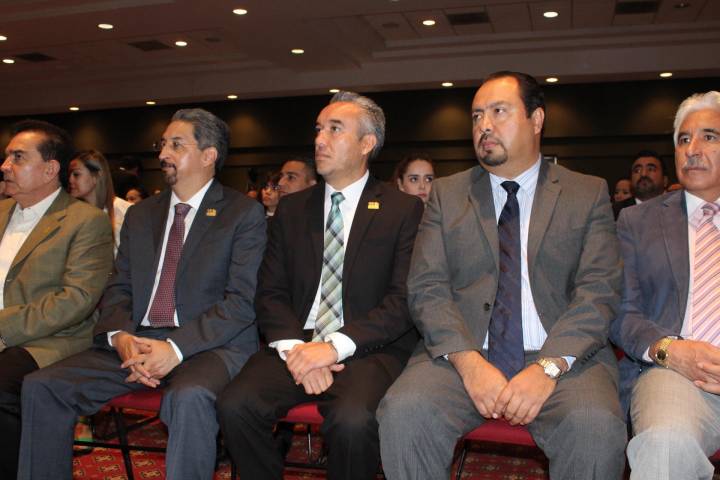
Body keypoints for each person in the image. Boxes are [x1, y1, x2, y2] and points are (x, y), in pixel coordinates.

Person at [378, 71, 627, 480]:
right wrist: (470, 364)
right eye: (477, 116)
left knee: (594, 428)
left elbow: (598, 291)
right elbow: (427, 288)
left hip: (563, 358)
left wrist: (548, 367)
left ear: (537, 119)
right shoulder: (448, 195)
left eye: (499, 112)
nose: (484, 125)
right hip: (462, 353)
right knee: (404, 412)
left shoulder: (586, 193)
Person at [18, 108, 266, 480]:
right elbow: (119, 287)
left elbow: (241, 302)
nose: (163, 153)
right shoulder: (141, 214)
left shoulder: (243, 214)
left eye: (176, 145)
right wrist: (120, 338)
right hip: (137, 340)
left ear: (209, 155)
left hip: (210, 347)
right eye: (162, 144)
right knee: (43, 386)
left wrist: (175, 348)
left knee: (189, 397)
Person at [217, 91, 424, 480]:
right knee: (235, 405)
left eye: (334, 129)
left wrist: (331, 348)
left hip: (368, 348)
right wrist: (299, 352)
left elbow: (402, 301)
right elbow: (270, 292)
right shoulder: (293, 208)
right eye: (318, 129)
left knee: (352, 421)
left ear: (367, 143)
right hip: (297, 342)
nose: (319, 140)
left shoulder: (403, 210)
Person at [610, 91, 720, 480]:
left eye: (709, 136)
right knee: (664, 444)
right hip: (674, 375)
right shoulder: (637, 223)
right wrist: (671, 350)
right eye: (684, 139)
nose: (693, 149)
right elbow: (621, 313)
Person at [0, 120, 114, 478]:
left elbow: (75, 299)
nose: (5, 166)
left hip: (49, 340)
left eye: (18, 157)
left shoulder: (85, 221)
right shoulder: (0, 213)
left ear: (50, 170)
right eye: (7, 156)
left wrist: (3, 329)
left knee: (1, 384)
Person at [68, 149, 133, 253]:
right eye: (70, 174)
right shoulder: (72, 214)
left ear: (96, 176)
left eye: (76, 174)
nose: (70, 180)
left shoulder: (126, 211)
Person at [613, 151, 668, 218]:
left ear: (665, 180)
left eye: (650, 169)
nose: (643, 174)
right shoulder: (615, 212)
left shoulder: (677, 208)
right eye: (637, 170)